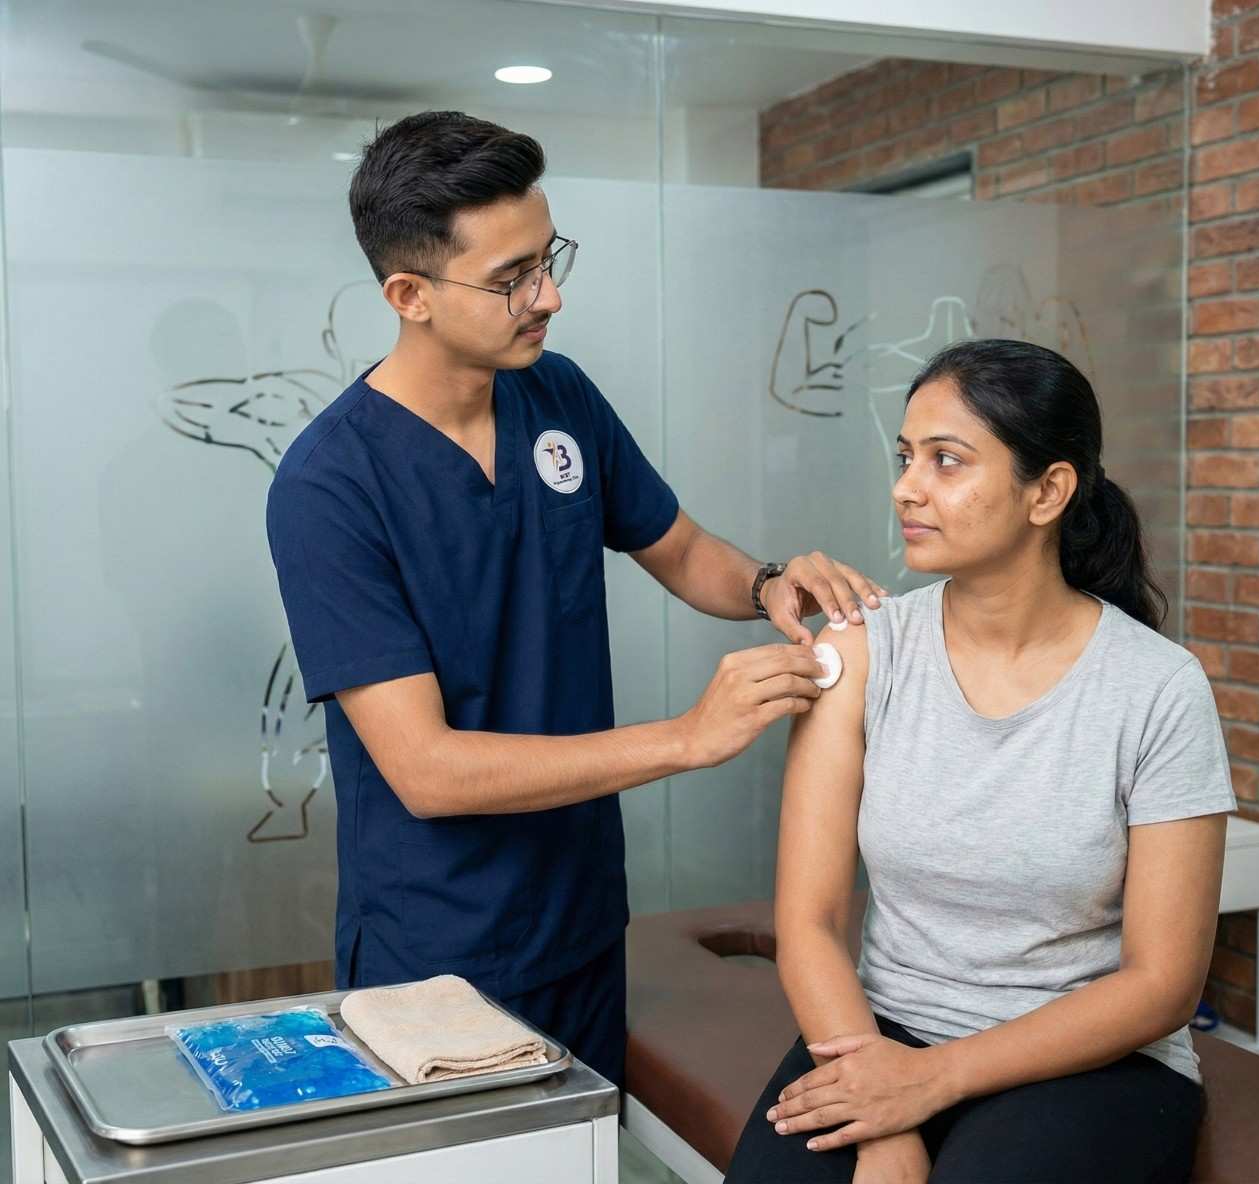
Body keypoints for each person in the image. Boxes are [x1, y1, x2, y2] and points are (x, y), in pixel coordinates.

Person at [265, 110, 885, 1089]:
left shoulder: (558, 397)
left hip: (584, 915)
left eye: (548, 260)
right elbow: (426, 770)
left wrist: (768, 582)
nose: (547, 295)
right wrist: (688, 737)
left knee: (589, 1149)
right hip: (438, 945)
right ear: (409, 294)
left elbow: (680, 548)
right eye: (511, 277)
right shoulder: (330, 486)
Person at [726, 339, 1234, 1183]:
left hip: (1089, 1060)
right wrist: (882, 1119)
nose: (906, 487)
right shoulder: (860, 652)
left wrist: (928, 1083)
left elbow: (1162, 984)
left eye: (947, 460)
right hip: (882, 1031)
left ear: (1049, 492)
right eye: (905, 457)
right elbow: (808, 922)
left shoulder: (1158, 688)